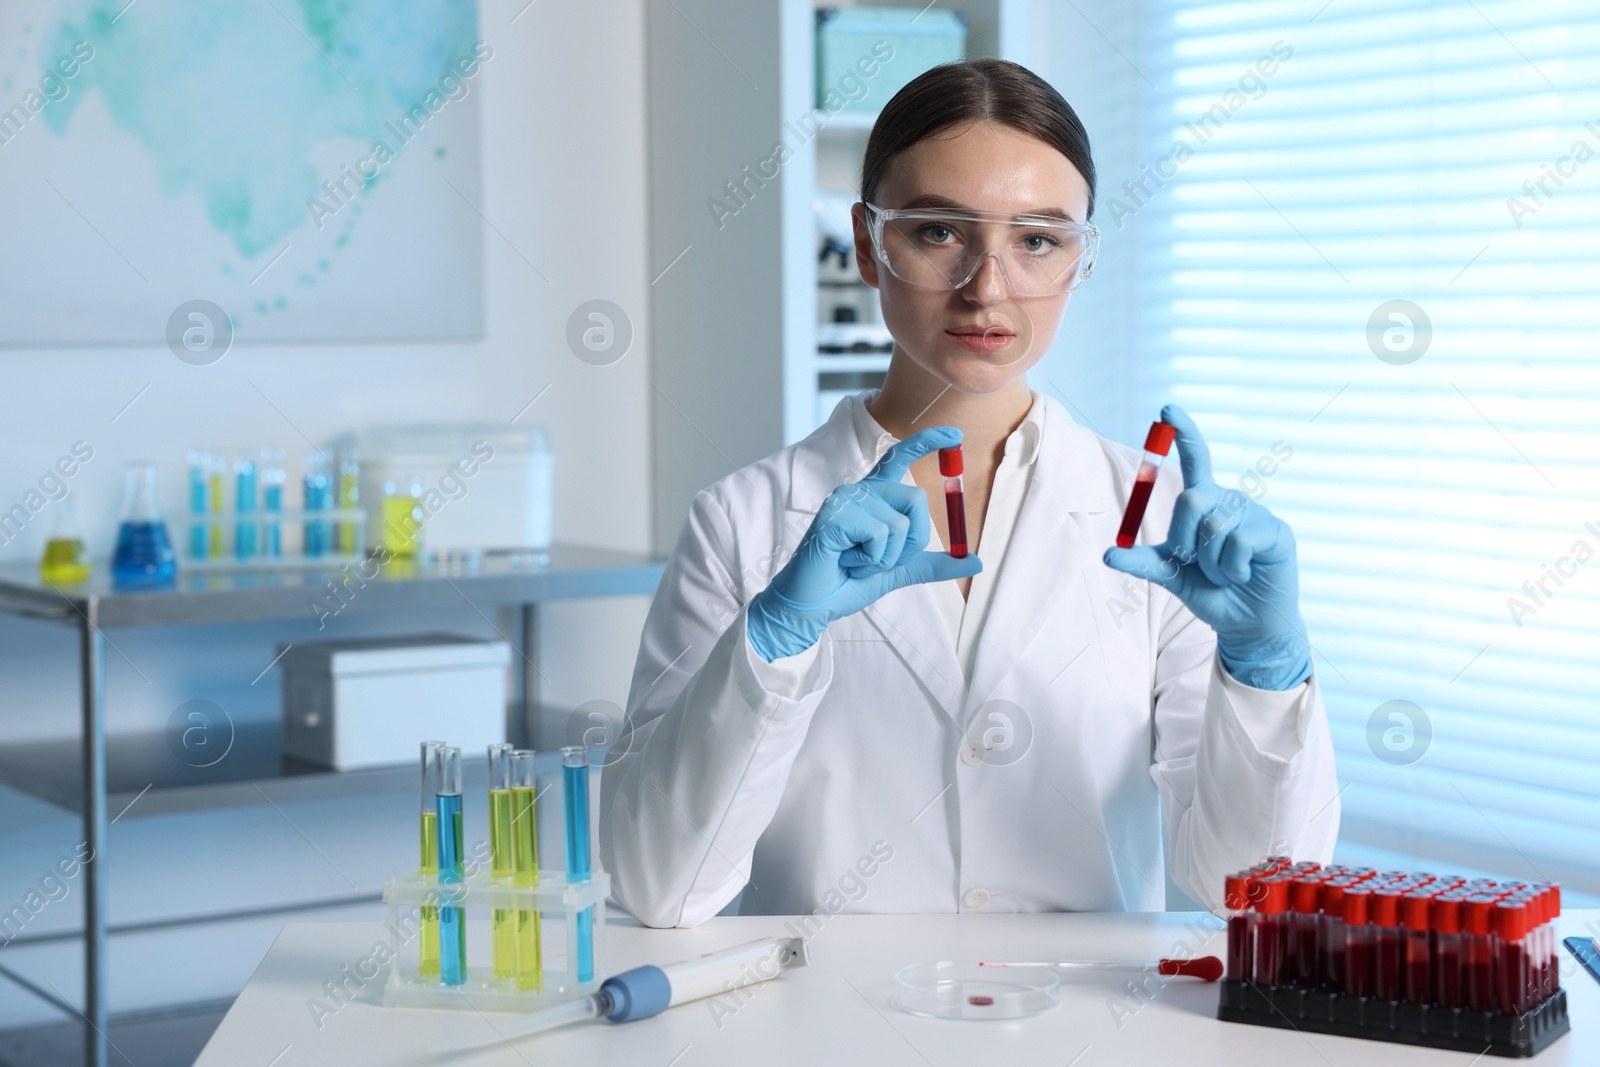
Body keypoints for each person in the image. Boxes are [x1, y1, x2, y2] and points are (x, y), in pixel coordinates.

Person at [601, 59, 1338, 928]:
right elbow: (658, 886)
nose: (988, 286)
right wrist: (772, 644)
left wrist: (1265, 673)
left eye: (1037, 238)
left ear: (1081, 259)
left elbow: (1252, 894)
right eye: (939, 232)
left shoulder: (1157, 520)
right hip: (825, 1030)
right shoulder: (744, 521)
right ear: (870, 245)